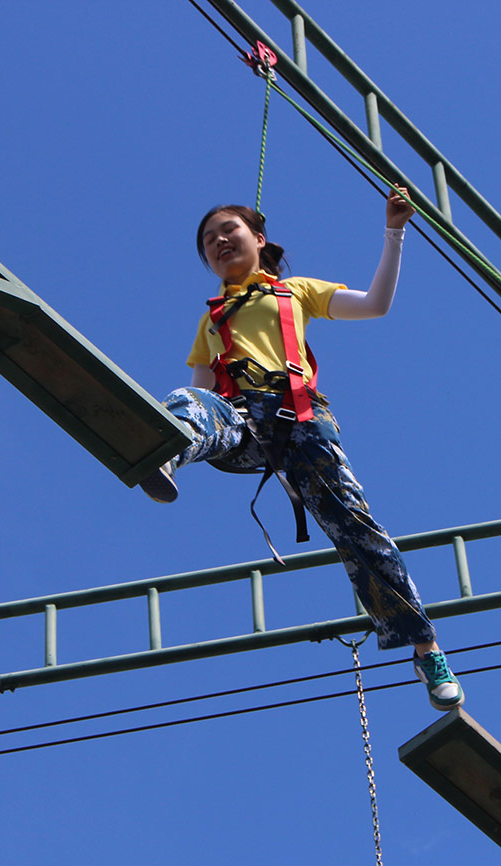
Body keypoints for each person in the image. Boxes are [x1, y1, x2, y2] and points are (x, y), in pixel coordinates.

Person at [139, 190, 463, 711]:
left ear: (258, 239)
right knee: (188, 402)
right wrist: (187, 427)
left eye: (229, 231)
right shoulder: (212, 320)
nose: (219, 241)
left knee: (356, 529)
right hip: (240, 424)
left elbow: (375, 305)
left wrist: (393, 231)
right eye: (208, 241)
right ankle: (161, 452)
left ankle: (426, 650)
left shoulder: (294, 292)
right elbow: (201, 393)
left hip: (299, 419)